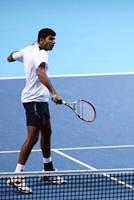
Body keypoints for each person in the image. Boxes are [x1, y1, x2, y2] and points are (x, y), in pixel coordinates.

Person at [6, 28, 65, 194]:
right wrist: (54, 92)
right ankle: (16, 176)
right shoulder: (42, 54)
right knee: (33, 137)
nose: (54, 41)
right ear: (42, 39)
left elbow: (9, 57)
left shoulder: (28, 50)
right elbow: (40, 72)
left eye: (54, 39)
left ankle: (48, 169)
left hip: (39, 101)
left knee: (47, 132)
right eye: (51, 39)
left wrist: (24, 50)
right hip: (34, 100)